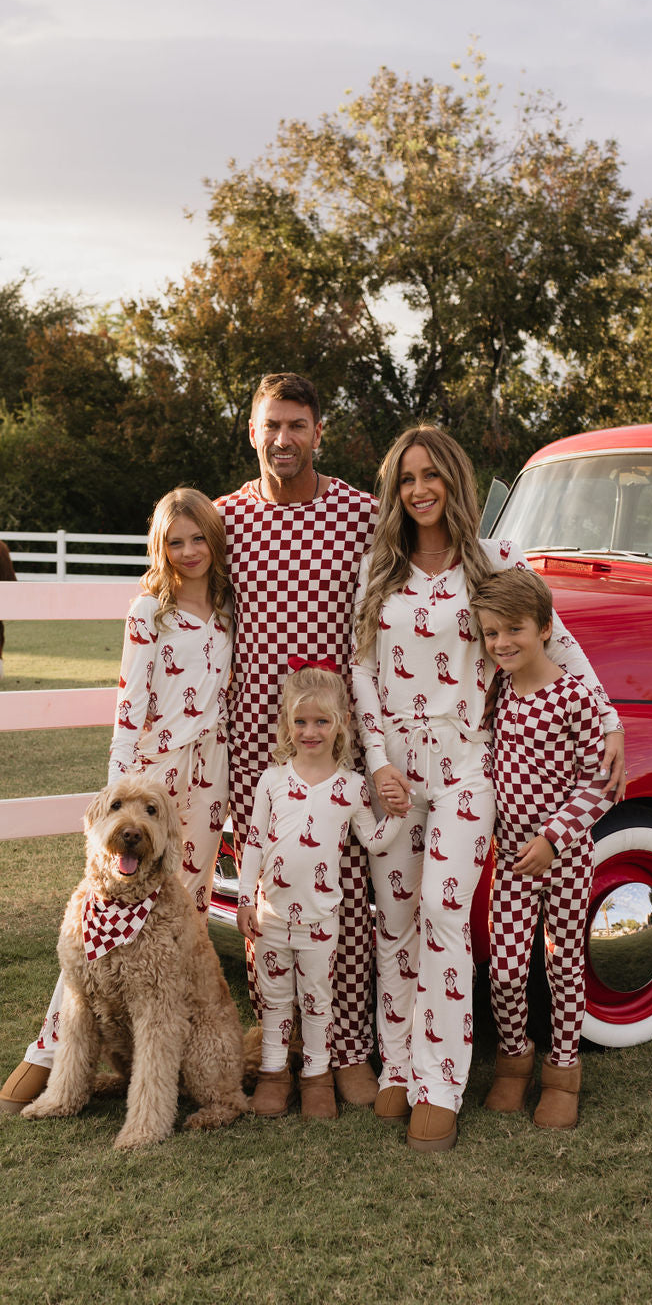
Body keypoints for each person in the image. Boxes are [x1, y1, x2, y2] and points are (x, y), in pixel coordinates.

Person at [350, 425, 623, 1152]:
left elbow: (558, 642)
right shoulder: (378, 567)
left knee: (443, 907)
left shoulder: (495, 560)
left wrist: (608, 716)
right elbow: (360, 671)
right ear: (395, 488)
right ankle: (399, 1065)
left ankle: (442, 1078)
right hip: (396, 771)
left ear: (455, 481)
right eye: (407, 476)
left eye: (433, 473)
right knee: (396, 916)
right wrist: (377, 758)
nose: (420, 488)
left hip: (469, 766)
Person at [0, 488, 232, 1112]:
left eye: (197, 538)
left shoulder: (231, 612)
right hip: (153, 774)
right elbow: (129, 708)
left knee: (184, 915)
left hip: (209, 780)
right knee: (98, 920)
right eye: (174, 541)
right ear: (161, 546)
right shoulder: (147, 613)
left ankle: (170, 1058)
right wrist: (117, 799)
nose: (188, 552)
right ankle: (49, 1052)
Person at [217, 374, 380, 1106]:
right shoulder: (225, 520)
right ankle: (276, 1049)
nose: (283, 439)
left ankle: (344, 1048)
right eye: (271, 425)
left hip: (332, 733)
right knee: (270, 885)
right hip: (257, 730)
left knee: (342, 884)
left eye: (297, 425)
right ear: (252, 431)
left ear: (319, 431)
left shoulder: (357, 513)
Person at [471, 568, 615, 1129]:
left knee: (564, 964)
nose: (503, 643)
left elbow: (600, 784)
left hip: (566, 857)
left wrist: (554, 839)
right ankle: (514, 1063)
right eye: (491, 634)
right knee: (506, 969)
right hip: (511, 859)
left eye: (515, 630)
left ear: (546, 628)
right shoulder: (499, 689)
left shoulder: (574, 698)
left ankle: (563, 1071)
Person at [235, 663, 402, 1121]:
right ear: (287, 724)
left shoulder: (349, 787)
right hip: (271, 918)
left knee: (317, 1001)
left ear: (340, 724)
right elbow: (254, 843)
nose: (311, 731)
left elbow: (372, 841)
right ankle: (273, 1074)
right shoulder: (272, 781)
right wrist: (247, 899)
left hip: (320, 921)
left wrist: (401, 814)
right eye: (301, 721)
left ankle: (316, 1076)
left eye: (322, 721)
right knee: (274, 1001)